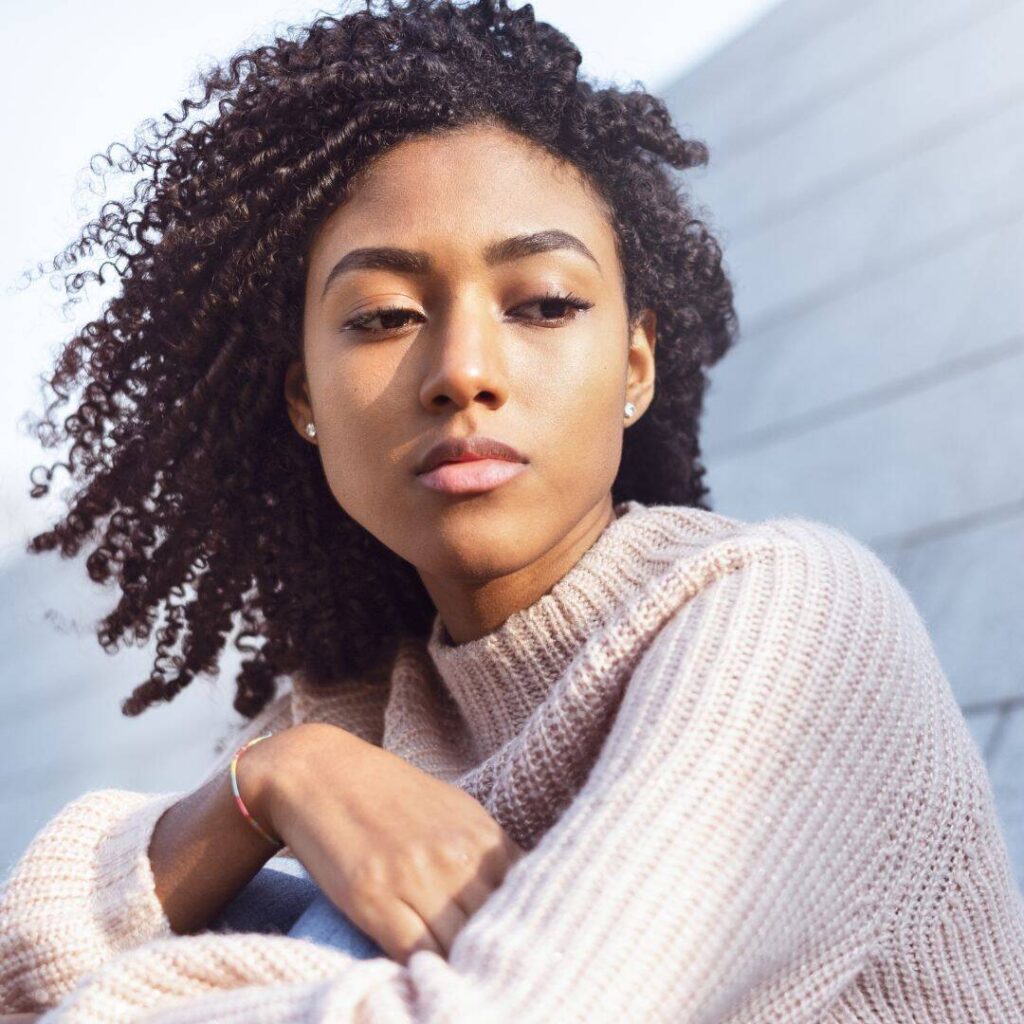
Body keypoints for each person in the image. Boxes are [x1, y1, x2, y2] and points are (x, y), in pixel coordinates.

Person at [2, 0, 1024, 1020]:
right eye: (385, 316)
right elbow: (20, 971)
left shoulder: (791, 622)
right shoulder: (354, 711)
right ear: (303, 399)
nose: (463, 373)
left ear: (634, 364)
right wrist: (270, 778)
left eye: (542, 304)